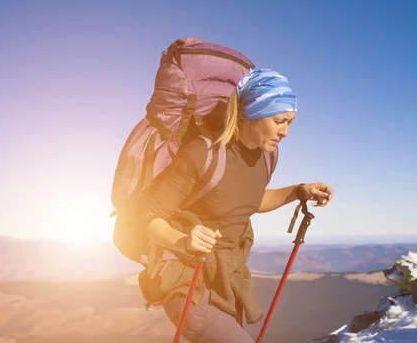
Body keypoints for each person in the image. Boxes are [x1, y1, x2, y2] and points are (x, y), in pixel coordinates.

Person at [138, 68, 334, 342]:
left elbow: (250, 201)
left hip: (226, 279)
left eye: (290, 122)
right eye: (279, 120)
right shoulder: (202, 153)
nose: (286, 132)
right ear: (253, 112)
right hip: (185, 278)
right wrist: (183, 240)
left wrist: (298, 191)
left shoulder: (266, 157)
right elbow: (148, 218)